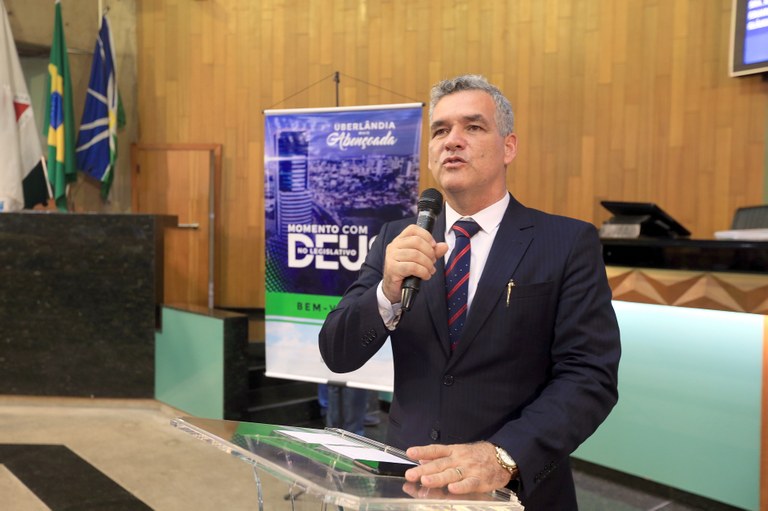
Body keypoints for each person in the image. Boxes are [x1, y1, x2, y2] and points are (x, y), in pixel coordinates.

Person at [318, 74, 621, 510]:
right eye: (440, 130)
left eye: (473, 127)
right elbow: (337, 353)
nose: (452, 141)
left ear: (508, 147)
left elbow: (590, 376)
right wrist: (386, 292)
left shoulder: (566, 242)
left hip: (517, 492)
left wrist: (503, 456)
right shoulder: (396, 239)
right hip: (409, 484)